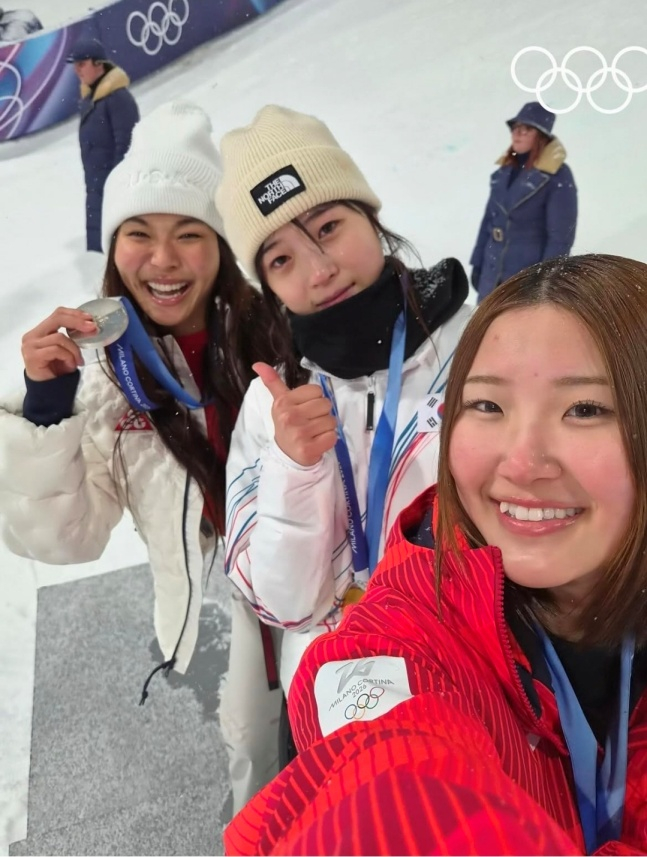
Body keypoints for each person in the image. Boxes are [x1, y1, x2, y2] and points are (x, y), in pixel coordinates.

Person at [224, 253, 647, 856]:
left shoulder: (451, 339)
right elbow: (386, 794)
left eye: (585, 409)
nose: (523, 463)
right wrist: (296, 470)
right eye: (489, 406)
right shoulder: (398, 654)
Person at [216, 105, 472, 810]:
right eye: (281, 259)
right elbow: (287, 603)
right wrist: (297, 471)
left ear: (371, 216)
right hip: (341, 697)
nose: (320, 268)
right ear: (267, 285)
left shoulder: (483, 350)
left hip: (480, 683)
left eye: (328, 227)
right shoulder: (274, 408)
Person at [0, 101, 283, 717]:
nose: (163, 261)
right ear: (113, 247)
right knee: (255, 761)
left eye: (188, 234)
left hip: (320, 592)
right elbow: (64, 541)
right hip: (225, 611)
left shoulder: (276, 330)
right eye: (139, 234)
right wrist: (48, 406)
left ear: (221, 246)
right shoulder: (101, 375)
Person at [470, 101, 577, 302]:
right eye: (515, 128)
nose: (517, 134)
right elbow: (488, 222)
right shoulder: (503, 172)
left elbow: (560, 238)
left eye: (526, 129)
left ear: (541, 135)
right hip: (492, 273)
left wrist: (546, 281)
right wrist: (477, 263)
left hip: (527, 277)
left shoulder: (557, 176)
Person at [66, 36, 139, 253]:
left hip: (114, 187)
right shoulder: (91, 99)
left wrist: (116, 182)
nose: (77, 70)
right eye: (75, 65)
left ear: (99, 63)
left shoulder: (118, 99)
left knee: (120, 245)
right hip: (96, 185)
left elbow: (127, 143)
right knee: (99, 244)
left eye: (82, 64)